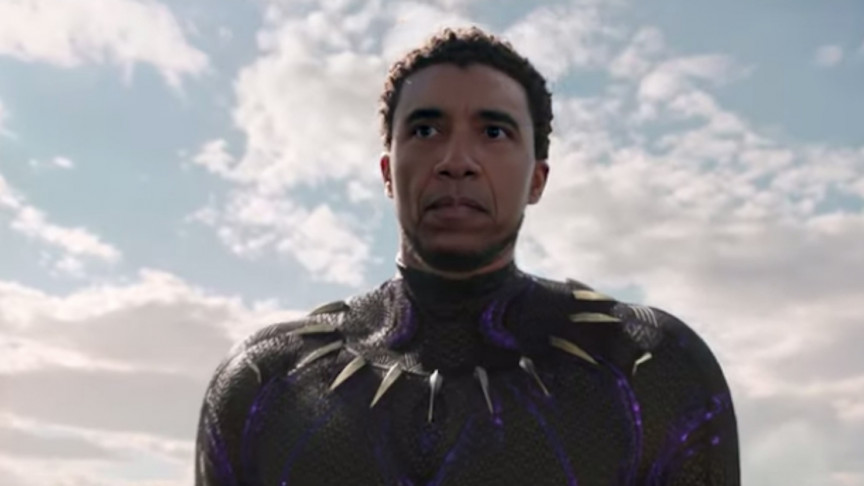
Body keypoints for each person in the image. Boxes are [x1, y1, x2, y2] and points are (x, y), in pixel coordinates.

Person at [194, 27, 740, 485]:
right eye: (426, 130)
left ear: (537, 179)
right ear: (388, 172)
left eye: (494, 132)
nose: (457, 160)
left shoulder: (649, 369)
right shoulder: (264, 382)